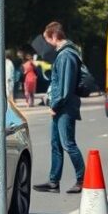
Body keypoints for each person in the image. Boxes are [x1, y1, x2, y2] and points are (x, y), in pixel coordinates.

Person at [34, 21, 85, 194]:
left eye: (47, 39)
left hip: (65, 108)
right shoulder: (64, 54)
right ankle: (53, 181)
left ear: (55, 36)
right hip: (60, 107)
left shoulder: (66, 56)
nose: (47, 43)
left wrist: (55, 105)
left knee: (68, 144)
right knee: (56, 144)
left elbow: (66, 88)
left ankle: (82, 179)